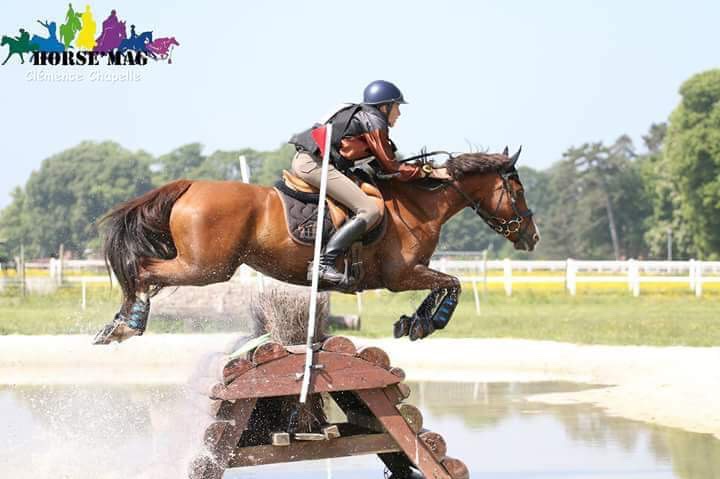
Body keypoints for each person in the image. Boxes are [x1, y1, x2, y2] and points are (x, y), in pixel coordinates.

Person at [289, 80, 449, 287]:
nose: (399, 113)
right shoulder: (374, 120)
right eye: (397, 107)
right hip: (314, 164)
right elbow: (391, 167)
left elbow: (380, 167)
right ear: (385, 107)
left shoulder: (363, 117)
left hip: (315, 161)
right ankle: (323, 263)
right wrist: (428, 171)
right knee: (369, 210)